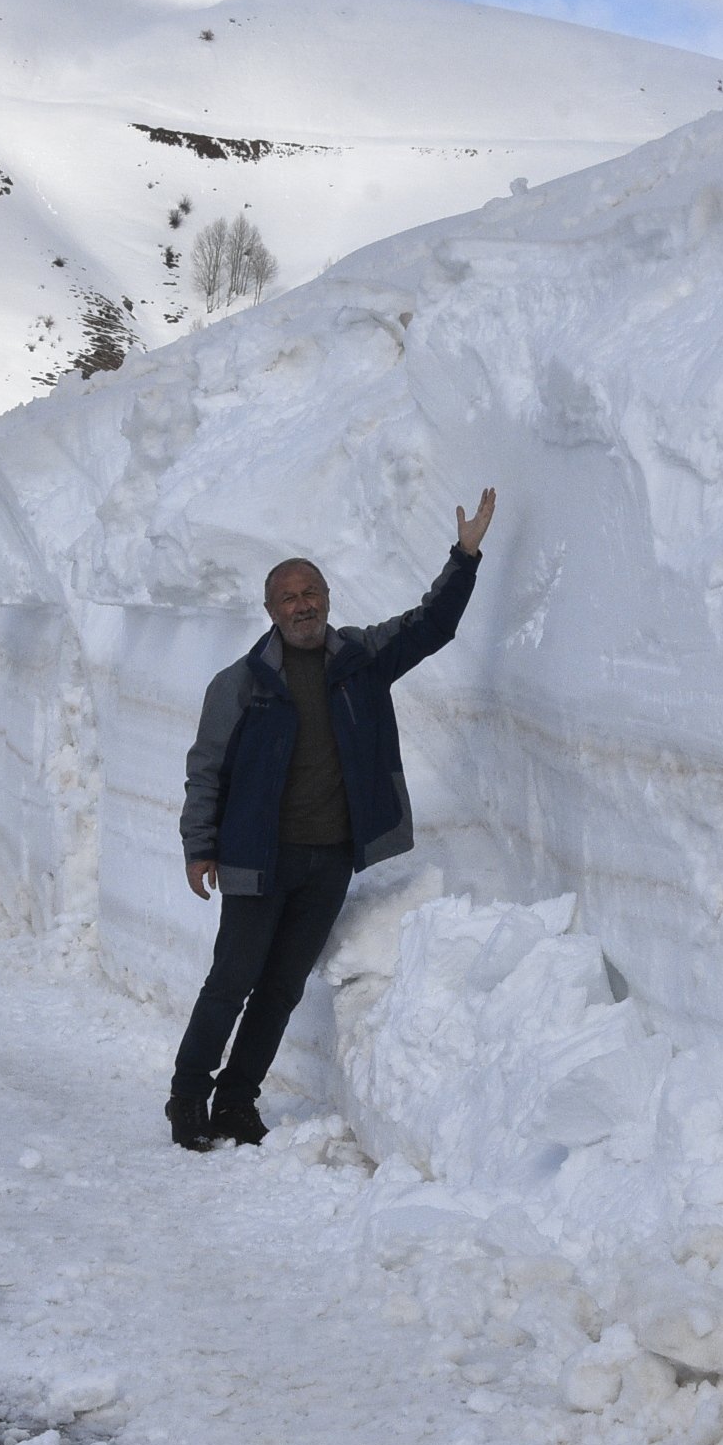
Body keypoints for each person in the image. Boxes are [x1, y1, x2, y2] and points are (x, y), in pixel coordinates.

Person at [170, 490, 496, 1149]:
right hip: (256, 860)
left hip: (329, 859)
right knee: (232, 980)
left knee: (282, 987)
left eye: (312, 592)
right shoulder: (239, 684)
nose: (303, 604)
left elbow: (432, 626)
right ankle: (187, 1097)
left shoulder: (359, 661)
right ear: (270, 611)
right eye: (289, 596)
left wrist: (464, 557)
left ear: (327, 598)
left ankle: (236, 1100)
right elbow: (207, 771)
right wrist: (199, 846)